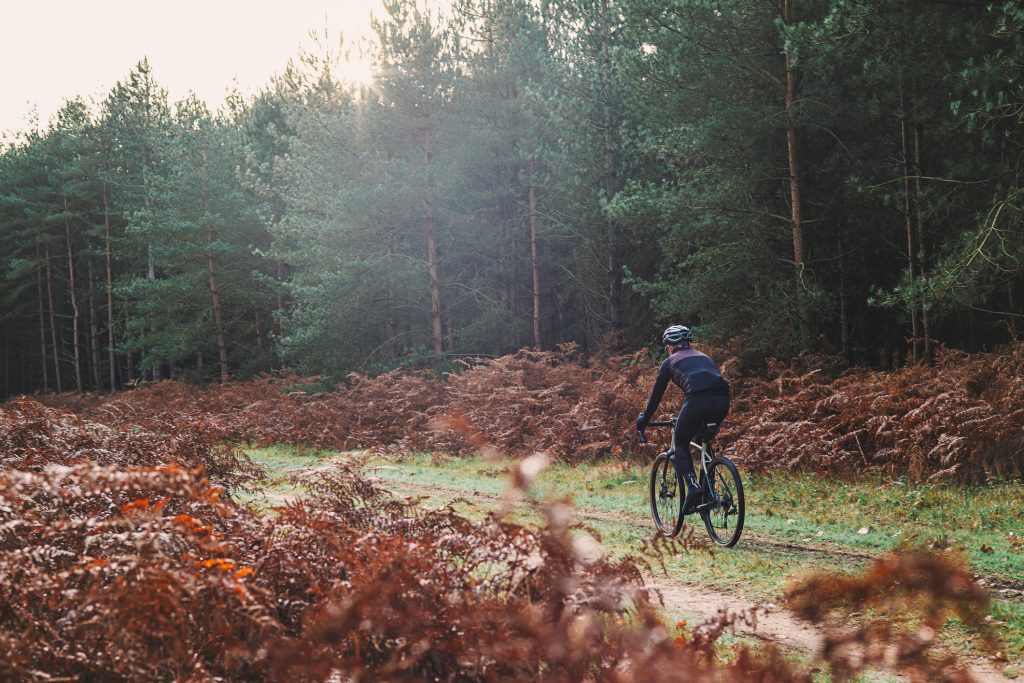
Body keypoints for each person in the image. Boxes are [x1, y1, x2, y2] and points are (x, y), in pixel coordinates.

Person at [636, 325, 730, 514]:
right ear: (688, 342)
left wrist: (644, 420)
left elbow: (656, 396)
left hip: (697, 400)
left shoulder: (670, 362)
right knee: (703, 441)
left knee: (680, 442)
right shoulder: (704, 357)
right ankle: (708, 492)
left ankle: (694, 486)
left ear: (669, 346)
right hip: (722, 399)